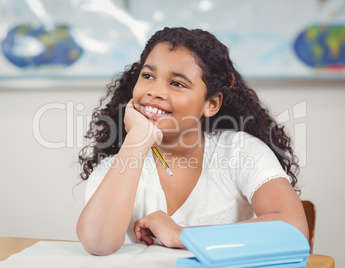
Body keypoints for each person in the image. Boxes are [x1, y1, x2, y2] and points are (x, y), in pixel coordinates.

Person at [76, 27, 309, 256]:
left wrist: (181, 234)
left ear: (211, 104)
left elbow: (293, 231)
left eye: (177, 83)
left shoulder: (239, 151)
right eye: (148, 76)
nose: (155, 91)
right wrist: (136, 141)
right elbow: (98, 243)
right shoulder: (116, 167)